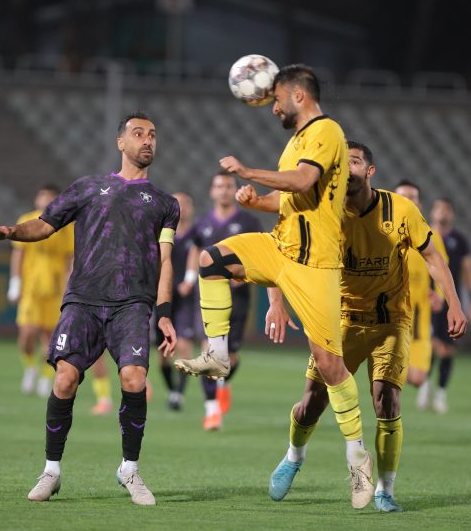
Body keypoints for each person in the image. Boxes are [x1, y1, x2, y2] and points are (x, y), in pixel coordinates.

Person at [173, 64, 374, 508]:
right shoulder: (296, 142)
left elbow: (303, 181)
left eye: (277, 99)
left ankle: (358, 460)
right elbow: (289, 199)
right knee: (211, 259)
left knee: (330, 367)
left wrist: (247, 172)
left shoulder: (327, 131)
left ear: (299, 96)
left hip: (315, 264)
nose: (273, 107)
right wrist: (257, 200)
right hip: (279, 247)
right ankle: (218, 353)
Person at [0, 111, 179, 506]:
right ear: (120, 142)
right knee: (64, 380)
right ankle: (51, 472)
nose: (147, 140)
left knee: (135, 379)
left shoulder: (165, 203)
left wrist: (164, 313)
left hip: (132, 304)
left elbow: (165, 259)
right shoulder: (87, 188)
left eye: (152, 135)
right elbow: (44, 225)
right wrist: (12, 232)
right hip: (84, 301)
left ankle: (129, 469)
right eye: (138, 133)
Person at [266, 141, 467, 512]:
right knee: (312, 402)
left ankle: (385, 490)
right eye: (341, 164)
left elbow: (432, 256)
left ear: (370, 171)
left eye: (354, 162)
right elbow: (280, 254)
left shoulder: (400, 210)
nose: (347, 169)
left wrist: (454, 302)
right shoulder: (321, 212)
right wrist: (275, 303)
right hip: (341, 320)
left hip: (391, 321)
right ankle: (294, 456)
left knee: (386, 399)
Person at [188, 172, 262, 430]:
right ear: (212, 191)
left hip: (238, 296)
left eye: (229, 186)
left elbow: (260, 252)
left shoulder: (249, 221)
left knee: (231, 356)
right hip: (208, 296)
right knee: (209, 350)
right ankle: (212, 410)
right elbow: (195, 249)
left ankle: (224, 384)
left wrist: (245, 275)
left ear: (235, 190)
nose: (224, 190)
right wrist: (190, 277)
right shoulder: (203, 223)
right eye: (219, 186)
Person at [7, 185, 74, 397]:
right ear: (37, 199)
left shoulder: (65, 227)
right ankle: (30, 367)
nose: (46, 201)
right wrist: (15, 283)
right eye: (43, 196)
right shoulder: (27, 220)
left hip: (55, 291)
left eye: (50, 198)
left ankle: (46, 376)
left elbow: (69, 259)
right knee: (26, 335)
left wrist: (70, 288)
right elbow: (18, 254)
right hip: (31, 289)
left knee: (50, 340)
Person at [424, 198, 471, 413]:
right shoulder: (425, 234)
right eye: (439, 208)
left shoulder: (460, 240)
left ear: (453, 214)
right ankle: (425, 385)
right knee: (431, 344)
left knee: (448, 349)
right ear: (432, 212)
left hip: (451, 301)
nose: (443, 212)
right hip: (427, 300)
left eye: (447, 209)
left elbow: (468, 270)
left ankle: (440, 393)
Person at [393, 180, 448, 392]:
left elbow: (441, 268)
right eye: (403, 196)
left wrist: (439, 296)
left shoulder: (431, 236)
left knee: (416, 378)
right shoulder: (382, 231)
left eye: (413, 197)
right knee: (387, 376)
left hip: (417, 311)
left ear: (420, 203)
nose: (408, 201)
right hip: (389, 308)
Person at [158, 191, 198, 412]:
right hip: (163, 297)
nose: (182, 207)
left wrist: (189, 281)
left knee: (183, 345)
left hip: (185, 297)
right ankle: (172, 390)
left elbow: (197, 256)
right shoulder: (162, 232)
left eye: (185, 203)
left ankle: (179, 394)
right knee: (163, 354)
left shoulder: (196, 233)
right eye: (177, 203)